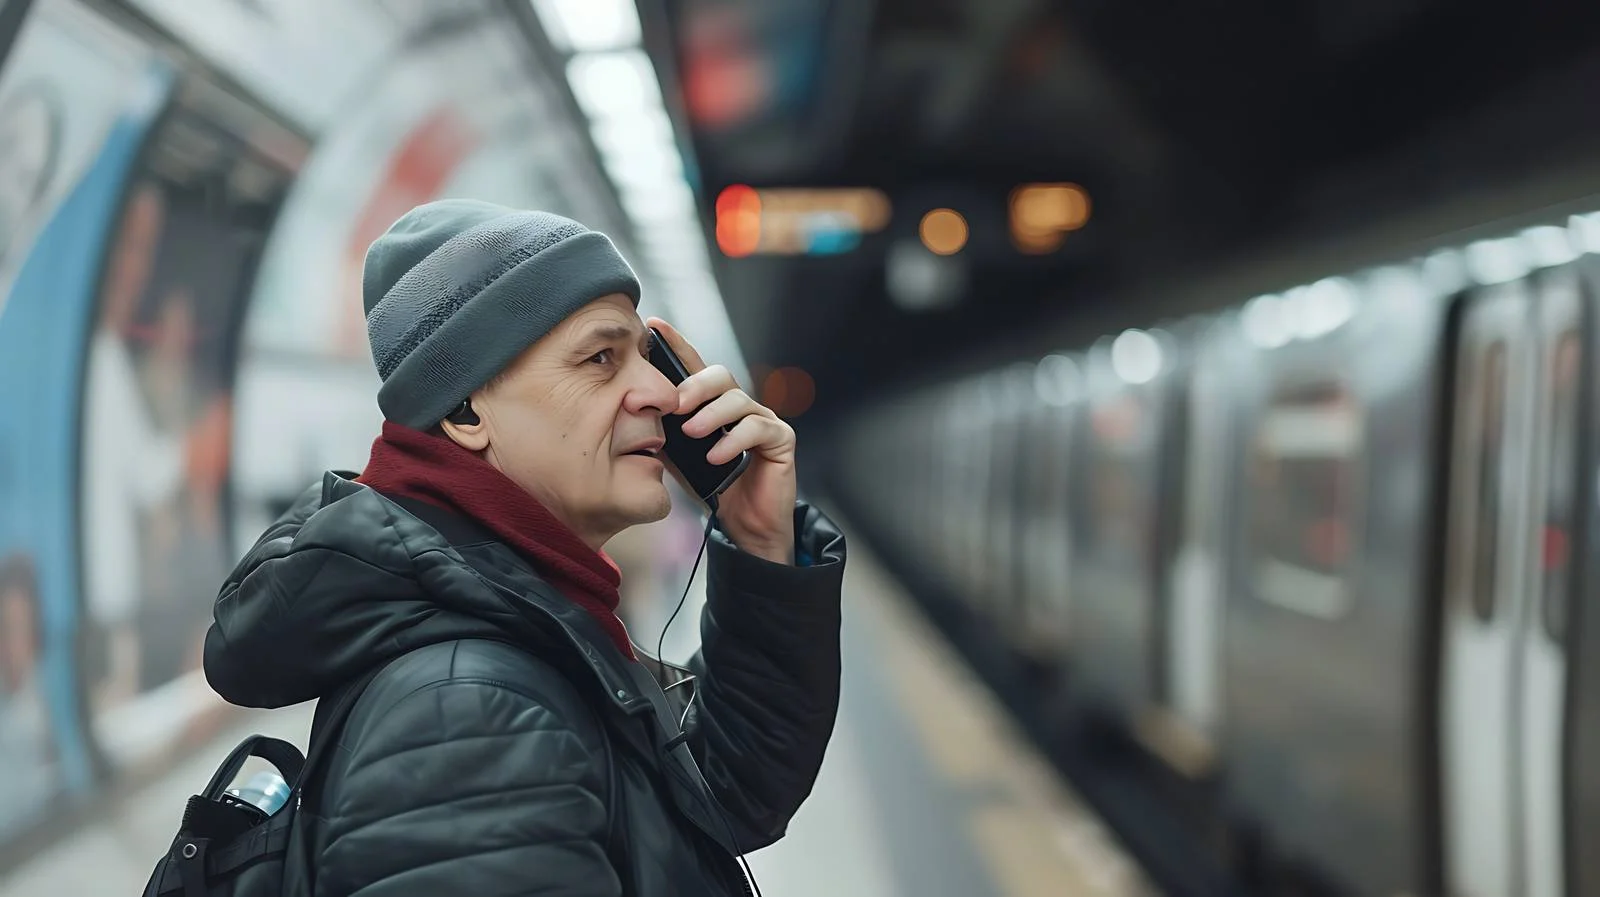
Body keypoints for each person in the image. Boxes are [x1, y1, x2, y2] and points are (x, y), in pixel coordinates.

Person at [202, 199, 846, 896]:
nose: (663, 390)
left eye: (646, 354)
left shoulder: (517, 624)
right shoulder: (470, 714)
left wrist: (758, 544)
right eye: (601, 357)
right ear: (465, 411)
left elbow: (712, 795)